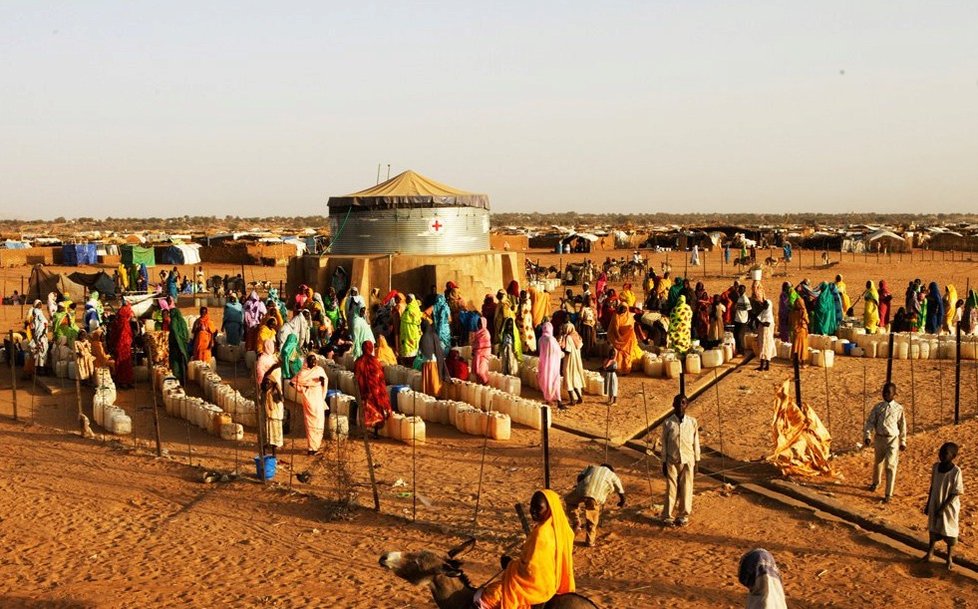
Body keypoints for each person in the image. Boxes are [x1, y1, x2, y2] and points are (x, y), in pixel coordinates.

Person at [475, 490, 575, 609]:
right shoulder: (562, 529)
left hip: (536, 588)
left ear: (550, 509)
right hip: (553, 583)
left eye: (539, 508)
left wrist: (510, 565)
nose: (533, 511)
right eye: (532, 506)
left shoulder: (541, 534)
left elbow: (530, 571)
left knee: (489, 596)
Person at [922, 442, 964, 571]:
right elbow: (933, 485)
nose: (941, 456)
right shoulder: (936, 467)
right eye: (940, 453)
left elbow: (955, 492)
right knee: (933, 528)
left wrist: (943, 508)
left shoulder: (956, 471)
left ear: (953, 456)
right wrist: (929, 504)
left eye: (945, 454)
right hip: (936, 502)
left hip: (948, 506)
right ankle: (930, 553)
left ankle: (949, 558)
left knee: (949, 530)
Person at [863, 382, 906, 503]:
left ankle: (888, 493)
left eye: (888, 392)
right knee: (878, 462)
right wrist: (867, 435)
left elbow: (902, 426)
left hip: (892, 439)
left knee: (890, 466)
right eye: (884, 392)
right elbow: (870, 422)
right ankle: (875, 483)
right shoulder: (878, 407)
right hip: (879, 439)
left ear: (894, 394)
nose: (885, 395)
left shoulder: (898, 409)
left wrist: (903, 441)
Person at [660, 394, 700, 526]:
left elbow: (696, 442)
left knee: (687, 488)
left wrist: (697, 461)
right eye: (677, 403)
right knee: (671, 488)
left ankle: (683, 515)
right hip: (672, 459)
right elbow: (664, 444)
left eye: (683, 403)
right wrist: (664, 462)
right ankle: (667, 516)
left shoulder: (692, 422)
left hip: (688, 459)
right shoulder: (668, 423)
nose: (680, 406)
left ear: (686, 405)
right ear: (673, 405)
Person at [564, 464, 625, 547]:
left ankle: (576, 522)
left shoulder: (592, 467)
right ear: (611, 470)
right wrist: (622, 502)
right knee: (592, 519)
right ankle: (590, 541)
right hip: (596, 497)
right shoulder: (614, 476)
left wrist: (580, 485)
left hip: (582, 490)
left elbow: (580, 477)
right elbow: (621, 491)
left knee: (570, 501)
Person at [354, 341, 393, 435]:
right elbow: (380, 376)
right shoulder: (375, 361)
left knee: (366, 409)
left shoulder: (358, 361)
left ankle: (366, 430)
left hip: (364, 390)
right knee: (377, 408)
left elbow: (357, 376)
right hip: (375, 390)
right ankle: (375, 431)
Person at [291, 353, 327, 455]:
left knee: (319, 421)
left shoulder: (319, 370)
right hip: (309, 398)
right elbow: (292, 382)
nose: (313, 362)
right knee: (310, 423)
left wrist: (322, 381)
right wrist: (303, 389)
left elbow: (325, 381)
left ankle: (316, 446)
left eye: (314, 360)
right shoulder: (303, 373)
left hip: (318, 398)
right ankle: (312, 448)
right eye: (311, 360)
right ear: (307, 361)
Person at [256, 339, 284, 456]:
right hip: (267, 389)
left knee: (277, 417)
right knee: (268, 418)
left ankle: (276, 442)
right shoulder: (262, 360)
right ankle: (268, 444)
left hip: (276, 389)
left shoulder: (273, 358)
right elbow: (262, 375)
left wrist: (277, 387)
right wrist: (269, 383)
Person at [537, 322, 564, 410]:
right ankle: (559, 401)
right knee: (555, 380)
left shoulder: (540, 339)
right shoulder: (551, 340)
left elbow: (540, 351)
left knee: (546, 380)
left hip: (544, 363)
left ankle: (548, 398)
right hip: (553, 363)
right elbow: (558, 352)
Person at [419, 320, 448, 398]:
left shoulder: (423, 337)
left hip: (425, 362)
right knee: (434, 381)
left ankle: (428, 395)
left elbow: (420, 351)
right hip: (434, 361)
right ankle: (436, 394)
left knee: (428, 381)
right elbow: (438, 349)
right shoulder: (434, 335)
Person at [110, 301, 136, 388]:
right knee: (124, 363)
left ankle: (124, 381)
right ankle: (124, 381)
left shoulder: (118, 320)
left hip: (121, 345)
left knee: (123, 363)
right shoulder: (124, 323)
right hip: (123, 346)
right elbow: (125, 335)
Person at [559, 322, 585, 405]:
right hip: (577, 361)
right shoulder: (577, 336)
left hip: (569, 360)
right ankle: (579, 398)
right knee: (575, 379)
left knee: (568, 378)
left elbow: (567, 350)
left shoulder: (568, 338)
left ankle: (572, 400)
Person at [168, 309, 190, 385]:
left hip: (176, 346)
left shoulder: (173, 321)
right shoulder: (183, 321)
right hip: (183, 345)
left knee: (176, 363)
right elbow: (186, 334)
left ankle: (177, 380)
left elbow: (174, 333)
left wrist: (178, 344)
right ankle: (184, 380)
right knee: (183, 363)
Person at [399, 294, 422, 365]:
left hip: (412, 332)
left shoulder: (414, 308)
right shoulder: (407, 308)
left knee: (412, 351)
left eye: (408, 298)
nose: (406, 300)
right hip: (406, 333)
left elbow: (416, 319)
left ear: (412, 300)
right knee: (406, 349)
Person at [470, 316, 492, 385]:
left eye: (480, 323)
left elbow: (483, 345)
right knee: (476, 371)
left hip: (483, 355)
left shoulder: (486, 333)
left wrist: (477, 349)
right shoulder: (478, 333)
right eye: (478, 323)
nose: (479, 325)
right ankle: (480, 385)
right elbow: (474, 343)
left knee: (480, 371)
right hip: (477, 354)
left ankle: (486, 382)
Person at [755, 299, 775, 371]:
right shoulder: (764, 312)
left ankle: (763, 366)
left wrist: (760, 322)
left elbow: (767, 324)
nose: (764, 305)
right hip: (762, 334)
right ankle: (765, 366)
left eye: (766, 304)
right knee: (763, 348)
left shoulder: (769, 315)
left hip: (767, 335)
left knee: (765, 349)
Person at [790, 297, 809, 366]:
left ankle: (795, 362)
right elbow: (807, 320)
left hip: (795, 330)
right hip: (802, 329)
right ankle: (803, 362)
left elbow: (791, 320)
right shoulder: (803, 311)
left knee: (796, 346)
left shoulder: (793, 311)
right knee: (803, 346)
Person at [733, 285, 750, 355]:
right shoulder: (739, 298)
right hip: (737, 319)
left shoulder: (745, 299)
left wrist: (748, 320)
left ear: (744, 290)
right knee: (736, 335)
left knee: (740, 336)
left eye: (742, 289)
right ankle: (738, 349)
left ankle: (742, 351)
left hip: (742, 320)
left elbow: (749, 310)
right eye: (740, 289)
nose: (740, 290)